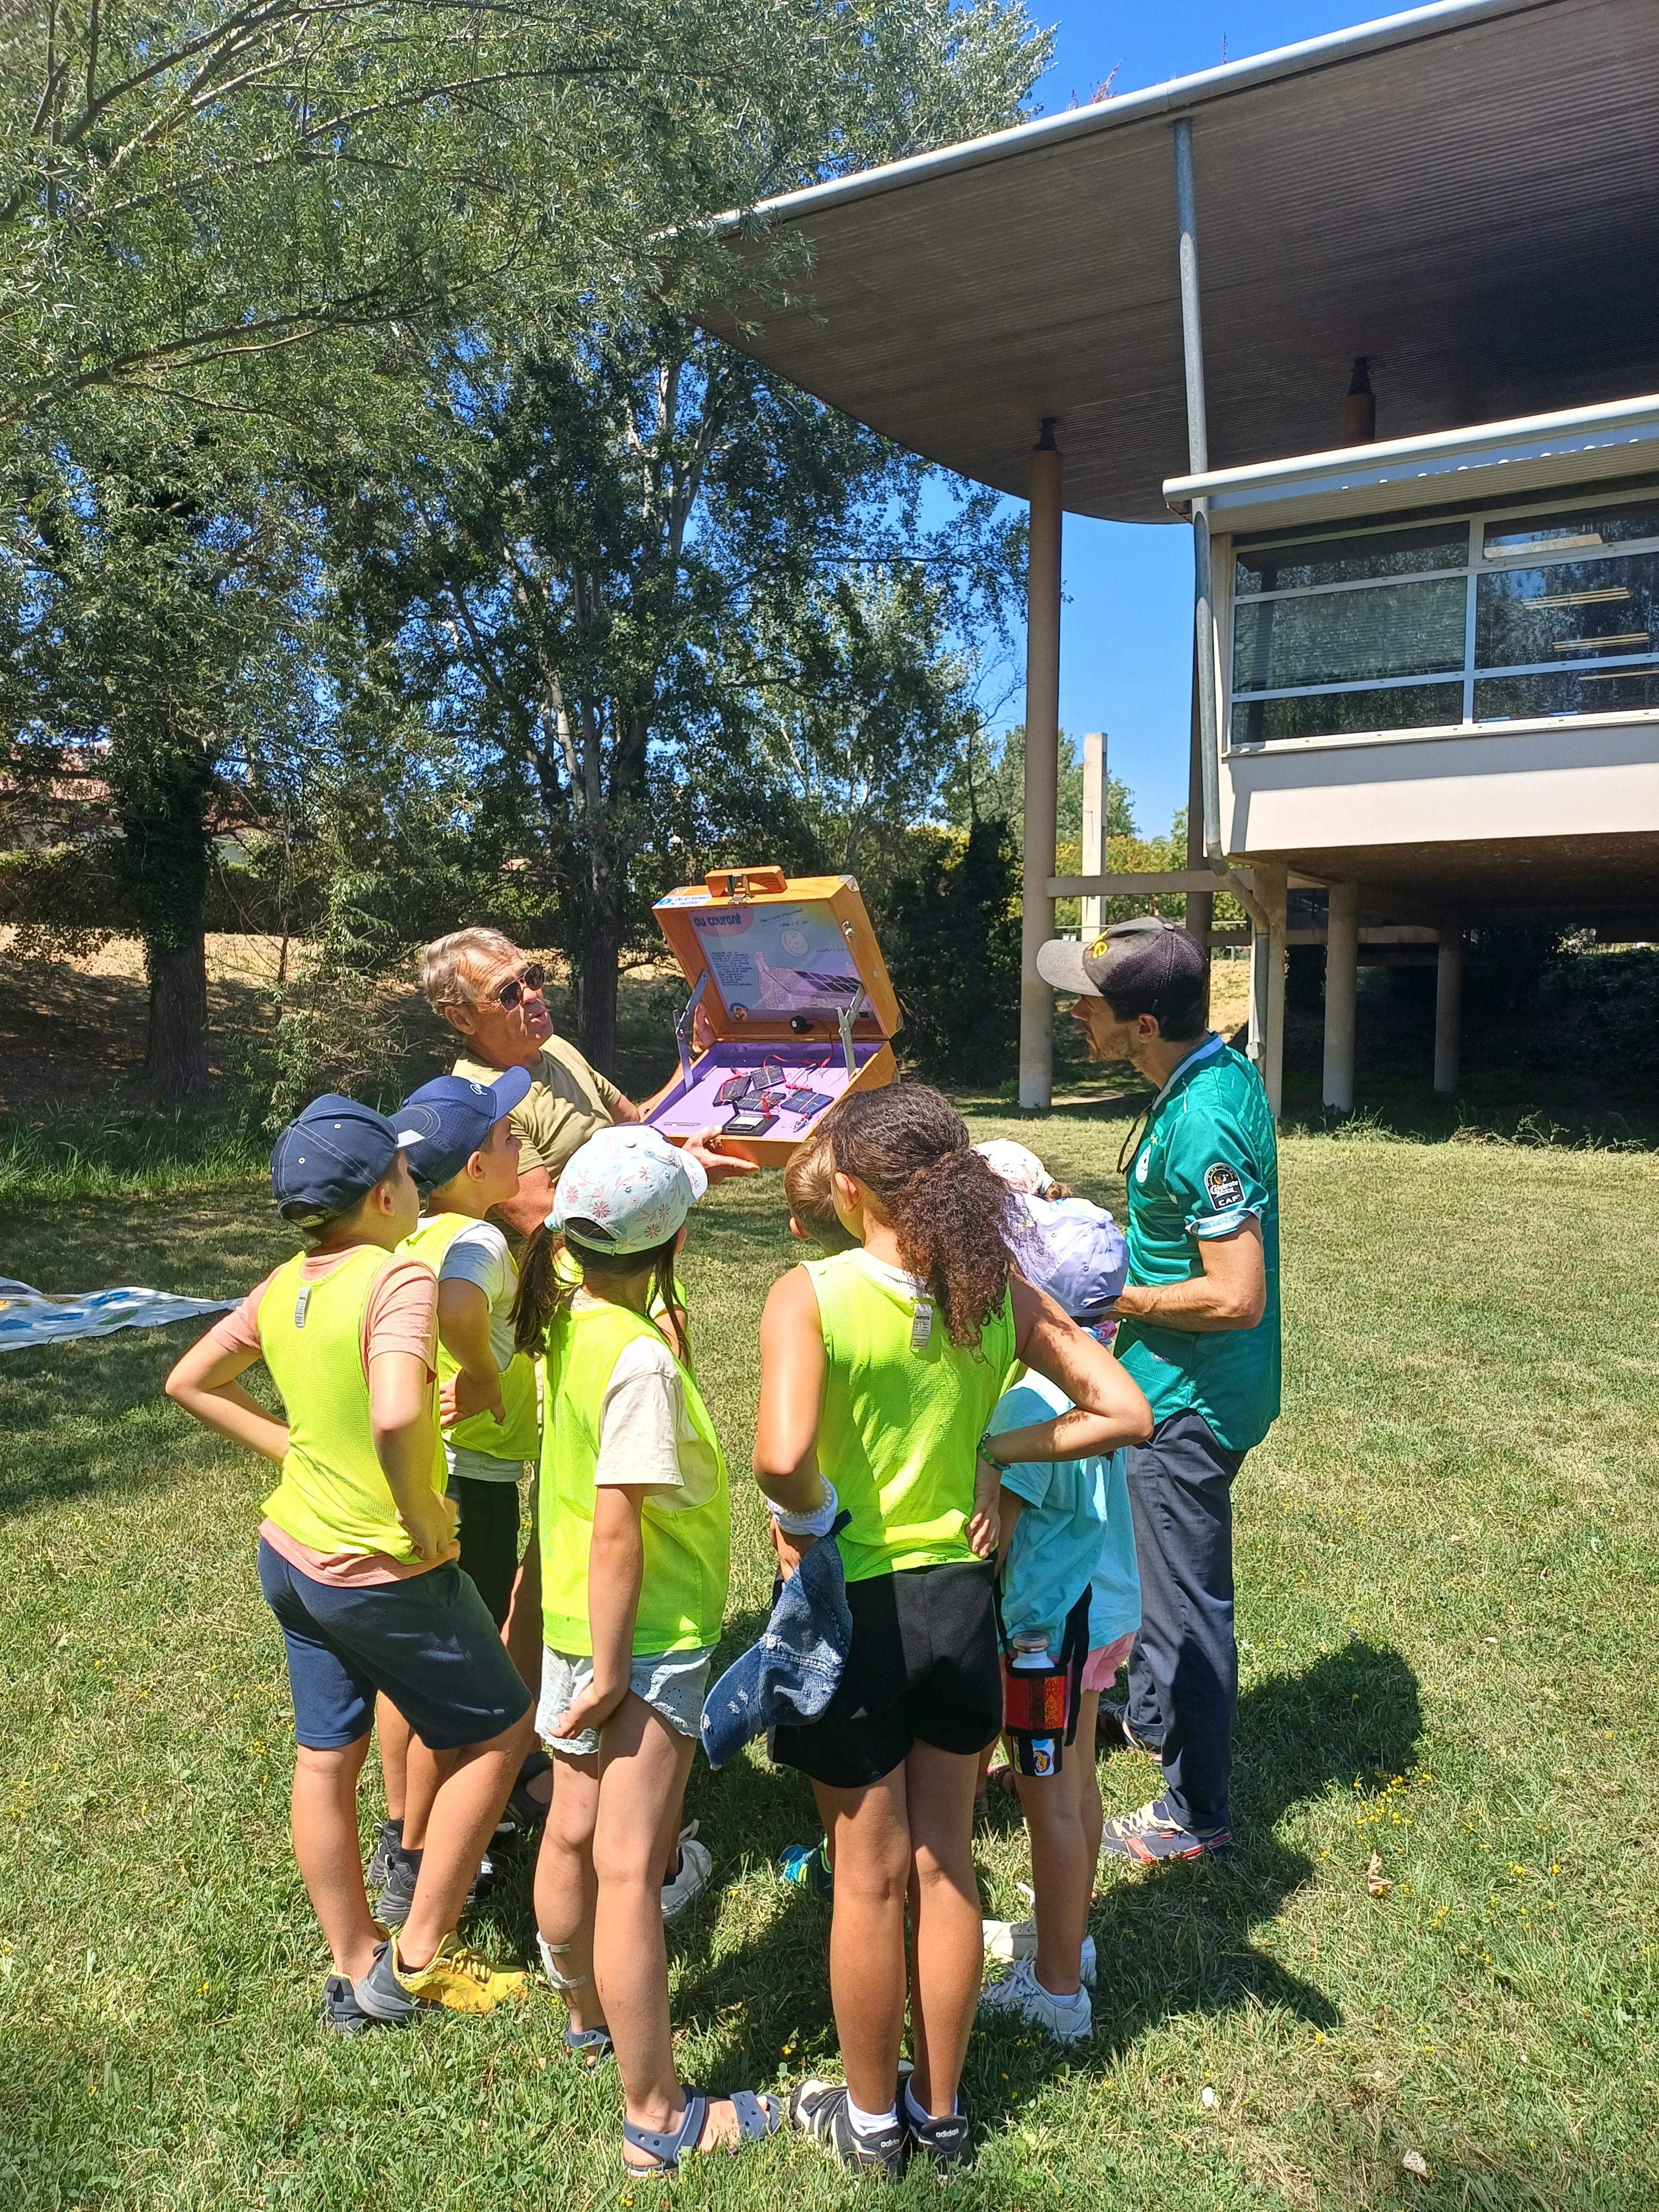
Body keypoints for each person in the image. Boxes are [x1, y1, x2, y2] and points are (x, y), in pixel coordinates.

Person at [753, 1084, 1151, 2177]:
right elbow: (1125, 1408)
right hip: (964, 1607)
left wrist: (808, 1519)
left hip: (859, 1609)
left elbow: (782, 1456)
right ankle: (943, 2106)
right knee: (945, 1864)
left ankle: (870, 2117)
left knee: (867, 1873)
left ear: (846, 1186)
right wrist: (1006, 1454)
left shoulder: (809, 1294)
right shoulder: (997, 1290)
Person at [163, 1095, 533, 2029]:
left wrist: (294, 1452)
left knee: (326, 1757)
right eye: (407, 1176)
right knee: (498, 1733)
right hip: (379, 1563)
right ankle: (408, 1969)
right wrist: (425, 1518)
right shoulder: (395, 1277)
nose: (414, 1186)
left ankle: (351, 1959)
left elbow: (189, 1380)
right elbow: (402, 1412)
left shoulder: (286, 1281)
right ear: (382, 1196)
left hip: (290, 1556)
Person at [513, 1126, 778, 2172]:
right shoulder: (637, 1363)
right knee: (630, 1868)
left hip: (576, 1623)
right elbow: (622, 1524)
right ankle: (657, 2114)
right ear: (669, 1248)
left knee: (571, 1828)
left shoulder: (569, 1314)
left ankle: (585, 2016)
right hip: (642, 1637)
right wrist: (623, 1670)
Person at [1036, 915, 1281, 1862]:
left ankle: (1197, 1813)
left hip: (1190, 1399)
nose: (1074, 1018)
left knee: (1184, 1603)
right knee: (1153, 1577)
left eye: (1087, 1005)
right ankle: (1145, 1721)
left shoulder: (1204, 1113)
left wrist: (1108, 1291)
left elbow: (1235, 1292)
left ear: (1143, 1024)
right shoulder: (1205, 1076)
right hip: (1173, 1380)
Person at [364, 1070, 550, 1928]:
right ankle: (441, 1851)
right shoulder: (474, 1246)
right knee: (462, 1671)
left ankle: (405, 1827)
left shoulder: (411, 1234)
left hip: (424, 1476)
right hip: (472, 1480)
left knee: (414, 1669)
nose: (525, 1146)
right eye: (511, 1137)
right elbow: (461, 1303)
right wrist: (481, 1373)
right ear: (476, 1168)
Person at [974, 1172, 1139, 2044]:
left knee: (1048, 1803)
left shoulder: (1030, 1403)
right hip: (1099, 1624)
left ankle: (1056, 1989)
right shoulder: (1102, 1377)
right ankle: (1068, 1937)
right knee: (1077, 1788)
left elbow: (988, 1539)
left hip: (1041, 1642)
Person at [419, 927, 753, 1238]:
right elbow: (542, 1219)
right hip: (561, 1286)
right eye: (508, 994)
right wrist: (683, 1173)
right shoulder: (480, 1102)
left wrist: (699, 1055)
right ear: (461, 1018)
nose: (533, 995)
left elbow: (636, 1123)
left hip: (617, 1261)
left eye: (531, 978)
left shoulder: (552, 1046)